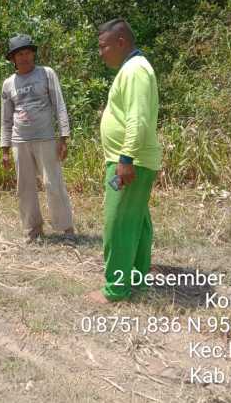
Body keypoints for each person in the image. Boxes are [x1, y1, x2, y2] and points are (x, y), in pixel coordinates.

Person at [86, 18, 162, 304]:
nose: (100, 52)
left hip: (131, 162)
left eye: (103, 46)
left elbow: (138, 119)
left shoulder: (135, 70)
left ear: (121, 42)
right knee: (136, 221)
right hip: (135, 160)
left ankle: (116, 289)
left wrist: (125, 158)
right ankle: (136, 279)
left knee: (117, 223)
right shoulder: (135, 69)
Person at [0, 34, 74, 242]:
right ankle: (33, 230)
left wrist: (64, 136)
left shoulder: (46, 74)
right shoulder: (8, 84)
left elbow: (59, 104)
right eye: (19, 54)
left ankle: (66, 228)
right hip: (19, 141)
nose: (24, 57)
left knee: (53, 183)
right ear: (13, 59)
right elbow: (5, 118)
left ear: (33, 54)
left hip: (46, 138)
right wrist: (5, 149)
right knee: (24, 188)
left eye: (27, 53)